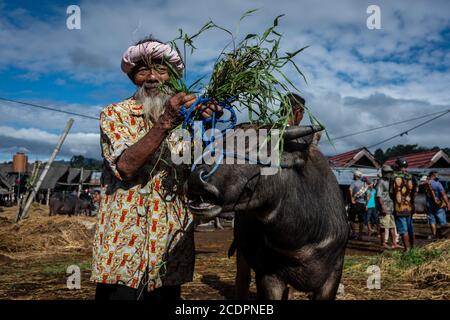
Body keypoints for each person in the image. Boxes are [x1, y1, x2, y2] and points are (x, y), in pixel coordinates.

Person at [91, 36, 223, 300]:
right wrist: (166, 122)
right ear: (132, 77)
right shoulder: (115, 114)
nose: (152, 77)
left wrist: (208, 125)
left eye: (161, 69)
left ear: (171, 76)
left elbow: (199, 171)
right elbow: (126, 167)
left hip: (169, 247)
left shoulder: (186, 121)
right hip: (123, 248)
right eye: (143, 70)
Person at [390, 158, 416, 252]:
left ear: (397, 166)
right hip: (409, 207)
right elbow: (415, 191)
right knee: (410, 229)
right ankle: (413, 248)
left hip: (399, 208)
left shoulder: (393, 177)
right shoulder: (411, 177)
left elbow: (391, 192)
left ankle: (407, 250)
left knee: (403, 230)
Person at [376, 165, 402, 249]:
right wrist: (382, 207)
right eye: (388, 172)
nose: (389, 174)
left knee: (392, 226)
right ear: (384, 173)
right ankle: (383, 243)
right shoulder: (381, 182)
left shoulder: (390, 181)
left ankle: (394, 243)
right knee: (384, 226)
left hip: (391, 206)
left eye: (390, 172)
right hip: (384, 207)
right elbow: (378, 196)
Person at [424, 171, 449, 240]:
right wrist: (448, 204)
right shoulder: (437, 184)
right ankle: (443, 235)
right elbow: (444, 195)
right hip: (438, 205)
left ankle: (434, 235)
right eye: (437, 176)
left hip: (429, 205)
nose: (438, 177)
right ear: (433, 175)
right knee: (442, 220)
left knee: (432, 221)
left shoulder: (426, 184)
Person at [348, 170, 368, 240]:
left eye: (354, 175)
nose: (353, 176)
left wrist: (351, 199)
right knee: (361, 220)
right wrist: (366, 204)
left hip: (355, 203)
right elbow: (367, 196)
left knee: (351, 219)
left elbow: (350, 190)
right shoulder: (364, 184)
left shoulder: (354, 183)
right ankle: (360, 235)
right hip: (363, 204)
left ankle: (354, 233)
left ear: (356, 176)